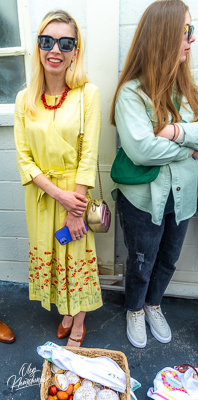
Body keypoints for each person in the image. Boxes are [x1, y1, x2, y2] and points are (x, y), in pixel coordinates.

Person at [110, 0, 198, 348]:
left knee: (168, 259)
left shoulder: (188, 90)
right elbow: (142, 150)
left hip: (184, 196)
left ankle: (153, 304)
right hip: (143, 201)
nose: (192, 39)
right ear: (164, 37)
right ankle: (134, 309)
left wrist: (174, 132)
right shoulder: (131, 94)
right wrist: (189, 145)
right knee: (142, 261)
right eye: (186, 31)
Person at [14, 10, 102, 347]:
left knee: (75, 257)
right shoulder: (25, 99)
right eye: (46, 41)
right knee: (53, 256)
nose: (55, 49)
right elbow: (24, 157)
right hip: (41, 197)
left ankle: (78, 321)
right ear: (38, 47)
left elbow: (88, 155)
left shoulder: (87, 94)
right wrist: (56, 194)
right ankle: (65, 310)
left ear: (76, 50)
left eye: (66, 42)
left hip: (75, 197)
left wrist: (74, 206)